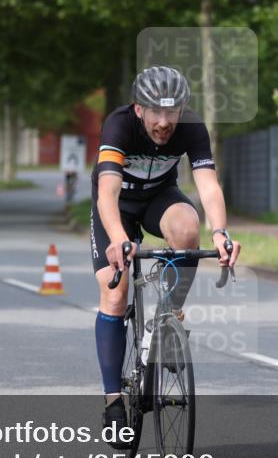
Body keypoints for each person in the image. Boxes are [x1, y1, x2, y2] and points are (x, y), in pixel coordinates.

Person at [89, 65, 241, 438]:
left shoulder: (191, 127)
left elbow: (208, 187)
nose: (163, 122)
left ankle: (169, 315)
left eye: (171, 112)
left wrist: (220, 232)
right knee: (115, 291)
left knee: (188, 228)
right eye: (155, 111)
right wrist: (116, 238)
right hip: (117, 207)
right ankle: (112, 402)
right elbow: (107, 192)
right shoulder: (119, 125)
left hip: (159, 198)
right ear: (138, 109)